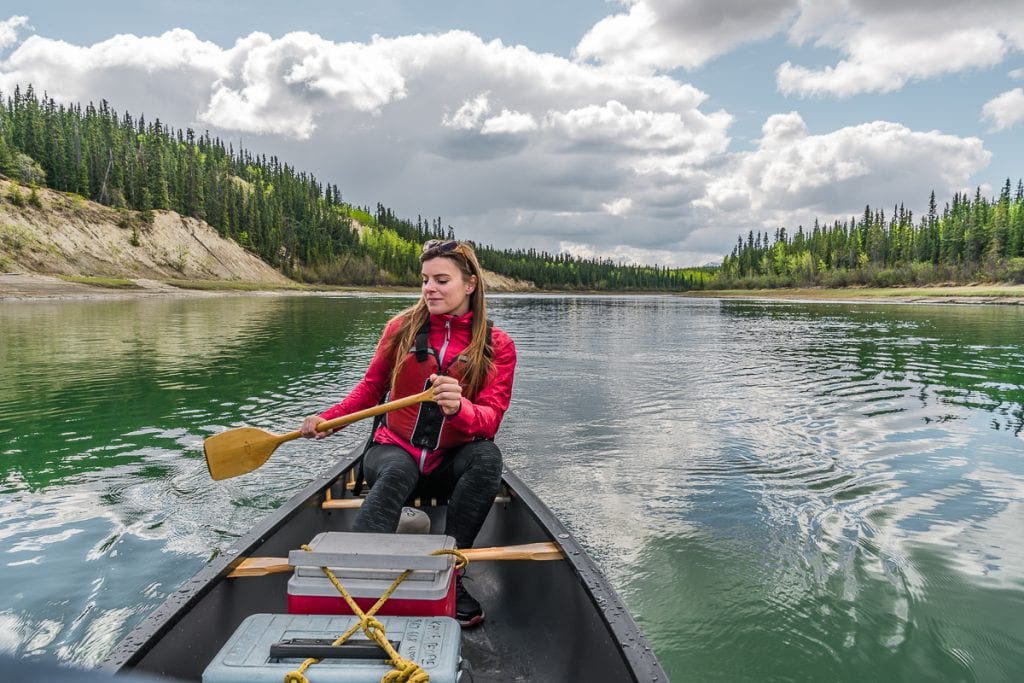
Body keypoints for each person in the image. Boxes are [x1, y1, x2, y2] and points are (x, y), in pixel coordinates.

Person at [300, 239, 516, 627]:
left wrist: (460, 408)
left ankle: (452, 574)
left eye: (441, 280)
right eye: (425, 279)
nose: (429, 288)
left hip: (447, 467)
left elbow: (490, 419)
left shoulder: (497, 346)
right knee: (398, 471)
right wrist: (330, 418)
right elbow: (371, 388)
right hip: (392, 453)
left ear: (469, 285)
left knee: (488, 459)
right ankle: (355, 579)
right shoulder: (401, 328)